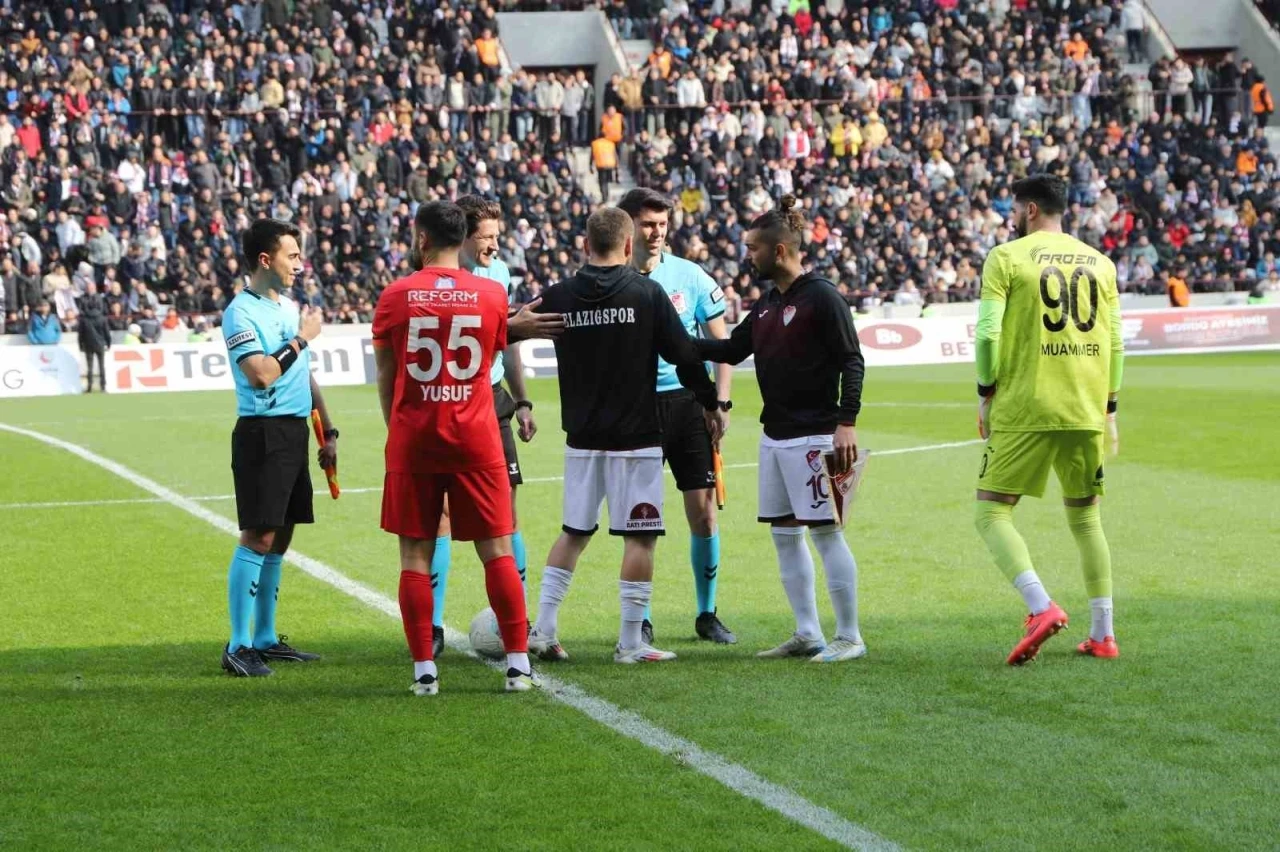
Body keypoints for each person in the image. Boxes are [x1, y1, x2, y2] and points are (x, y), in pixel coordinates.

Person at [372, 201, 564, 695]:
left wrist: (398, 428)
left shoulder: (394, 296)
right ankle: (518, 665)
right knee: (497, 549)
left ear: (421, 238)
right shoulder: (491, 294)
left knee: (415, 555)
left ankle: (424, 672)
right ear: (462, 240)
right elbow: (499, 346)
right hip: (477, 435)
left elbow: (387, 378)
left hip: (416, 437)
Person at [527, 207, 719, 664]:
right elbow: (685, 356)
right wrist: (710, 401)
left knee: (573, 533)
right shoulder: (647, 293)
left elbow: (510, 326)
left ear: (585, 245)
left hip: (581, 438)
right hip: (635, 437)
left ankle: (543, 629)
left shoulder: (560, 295)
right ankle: (631, 642)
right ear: (629, 245)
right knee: (640, 538)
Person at [695, 196, 869, 664]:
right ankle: (808, 632)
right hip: (774, 436)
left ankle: (850, 636)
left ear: (778, 250)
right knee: (785, 534)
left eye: (752, 248)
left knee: (826, 533)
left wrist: (846, 422)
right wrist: (671, 340)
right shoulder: (769, 302)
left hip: (816, 435)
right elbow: (730, 350)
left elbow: (852, 360)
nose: (747, 256)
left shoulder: (823, 297)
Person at [972, 174, 1125, 665]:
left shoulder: (1006, 257)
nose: (1014, 217)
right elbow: (1116, 344)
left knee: (991, 513)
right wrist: (1109, 408)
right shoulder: (1101, 263)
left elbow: (987, 334)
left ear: (1031, 210)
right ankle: (1103, 633)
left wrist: (985, 392)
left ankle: (1040, 606)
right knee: (1086, 518)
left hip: (1026, 406)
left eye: (1016, 209)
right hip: (1086, 406)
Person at [425, 195, 542, 659]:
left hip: (492, 401)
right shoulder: (435, 278)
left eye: (497, 235)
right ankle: (431, 626)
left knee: (505, 515)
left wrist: (523, 400)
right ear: (462, 237)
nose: (494, 245)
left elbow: (509, 343)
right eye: (486, 237)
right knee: (440, 515)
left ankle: (518, 619)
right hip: (446, 400)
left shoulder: (500, 275)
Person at [218, 218, 335, 677]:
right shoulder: (240, 313)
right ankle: (237, 645)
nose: (299, 264)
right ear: (265, 260)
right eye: (292, 255)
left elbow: (302, 372)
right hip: (261, 433)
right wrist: (301, 337)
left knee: (282, 536)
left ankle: (265, 638)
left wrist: (328, 430)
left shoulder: (288, 308)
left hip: (295, 431)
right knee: (259, 536)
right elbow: (262, 374)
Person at [618, 188, 735, 645]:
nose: (657, 232)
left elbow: (722, 345)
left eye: (662, 224)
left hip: (689, 404)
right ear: (628, 226)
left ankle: (707, 614)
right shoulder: (613, 278)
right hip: (637, 408)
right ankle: (641, 618)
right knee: (642, 517)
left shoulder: (689, 275)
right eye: (648, 224)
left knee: (703, 513)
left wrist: (720, 402)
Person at [76, 281, 109, 392]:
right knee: (101, 365)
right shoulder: (102, 318)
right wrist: (108, 343)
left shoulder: (84, 320)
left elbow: (80, 334)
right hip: (100, 343)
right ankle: (103, 386)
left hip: (88, 343)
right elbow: (106, 332)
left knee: (90, 366)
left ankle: (90, 386)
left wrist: (80, 344)